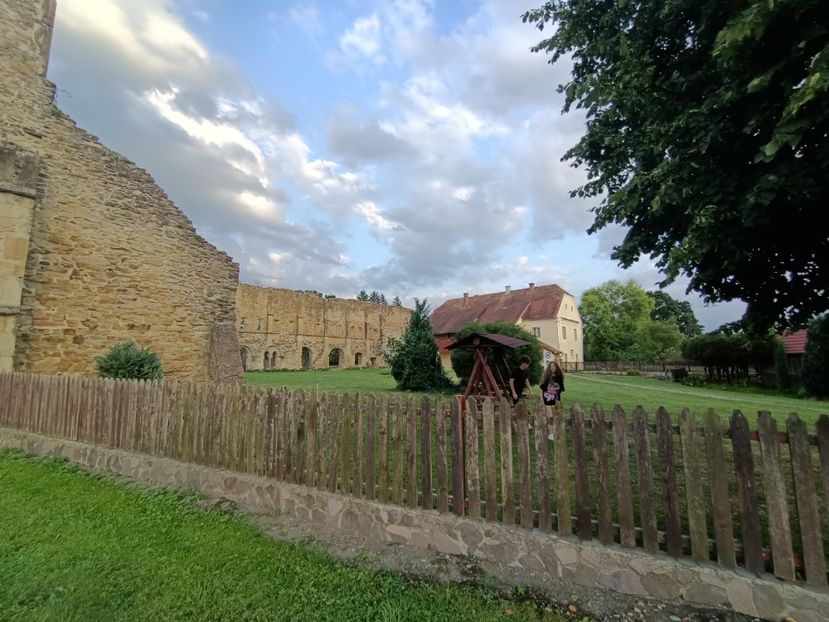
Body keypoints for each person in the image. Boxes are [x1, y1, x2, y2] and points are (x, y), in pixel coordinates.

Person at [539, 360, 565, 441]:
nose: (552, 367)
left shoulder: (559, 377)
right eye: (550, 366)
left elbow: (560, 390)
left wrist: (558, 399)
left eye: (554, 366)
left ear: (556, 367)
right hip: (547, 399)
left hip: (555, 400)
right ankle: (551, 434)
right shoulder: (546, 377)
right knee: (549, 417)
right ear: (548, 368)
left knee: (555, 417)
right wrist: (542, 400)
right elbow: (542, 390)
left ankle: (555, 432)